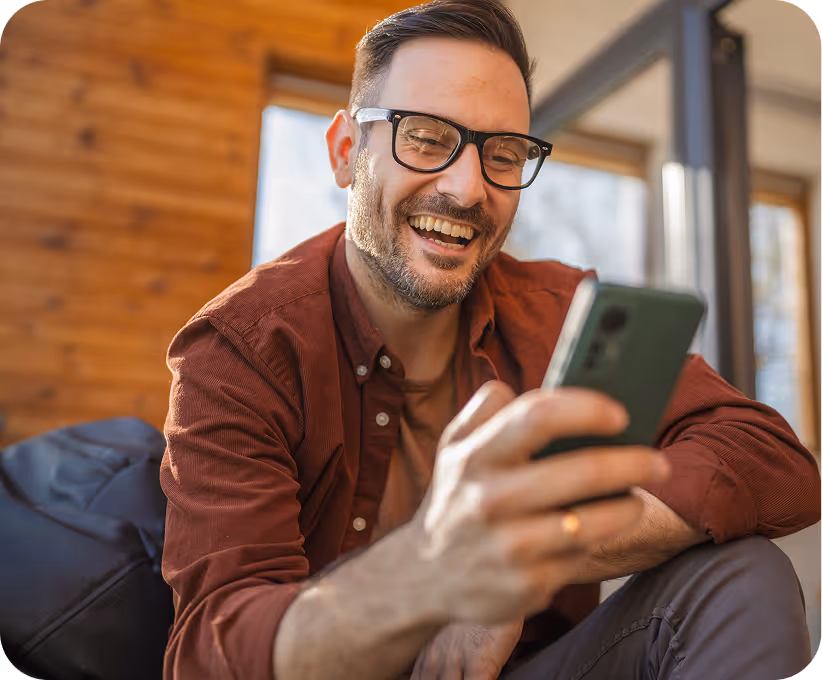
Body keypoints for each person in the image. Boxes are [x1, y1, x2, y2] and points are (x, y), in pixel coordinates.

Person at [159, 2, 820, 679]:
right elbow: (214, 654)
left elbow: (771, 460)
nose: (467, 188)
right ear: (344, 153)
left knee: (740, 575)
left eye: (502, 153)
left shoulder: (556, 310)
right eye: (423, 136)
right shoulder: (239, 348)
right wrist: (437, 577)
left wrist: (527, 561)